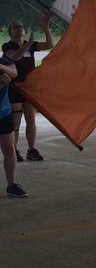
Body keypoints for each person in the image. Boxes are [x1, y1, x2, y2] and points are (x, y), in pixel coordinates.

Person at [2, 14, 54, 162]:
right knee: (15, 121)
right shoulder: (7, 46)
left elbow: (49, 45)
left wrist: (46, 28)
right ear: (10, 32)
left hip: (30, 88)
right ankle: (14, 150)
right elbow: (15, 57)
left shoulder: (30, 44)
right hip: (15, 87)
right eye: (15, 27)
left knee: (31, 118)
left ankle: (32, 149)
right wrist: (28, 44)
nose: (19, 28)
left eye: (21, 26)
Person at [1, 52, 27, 197]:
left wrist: (1, 69)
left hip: (3, 114)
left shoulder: (4, 62)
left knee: (9, 150)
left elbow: (14, 72)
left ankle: (11, 184)